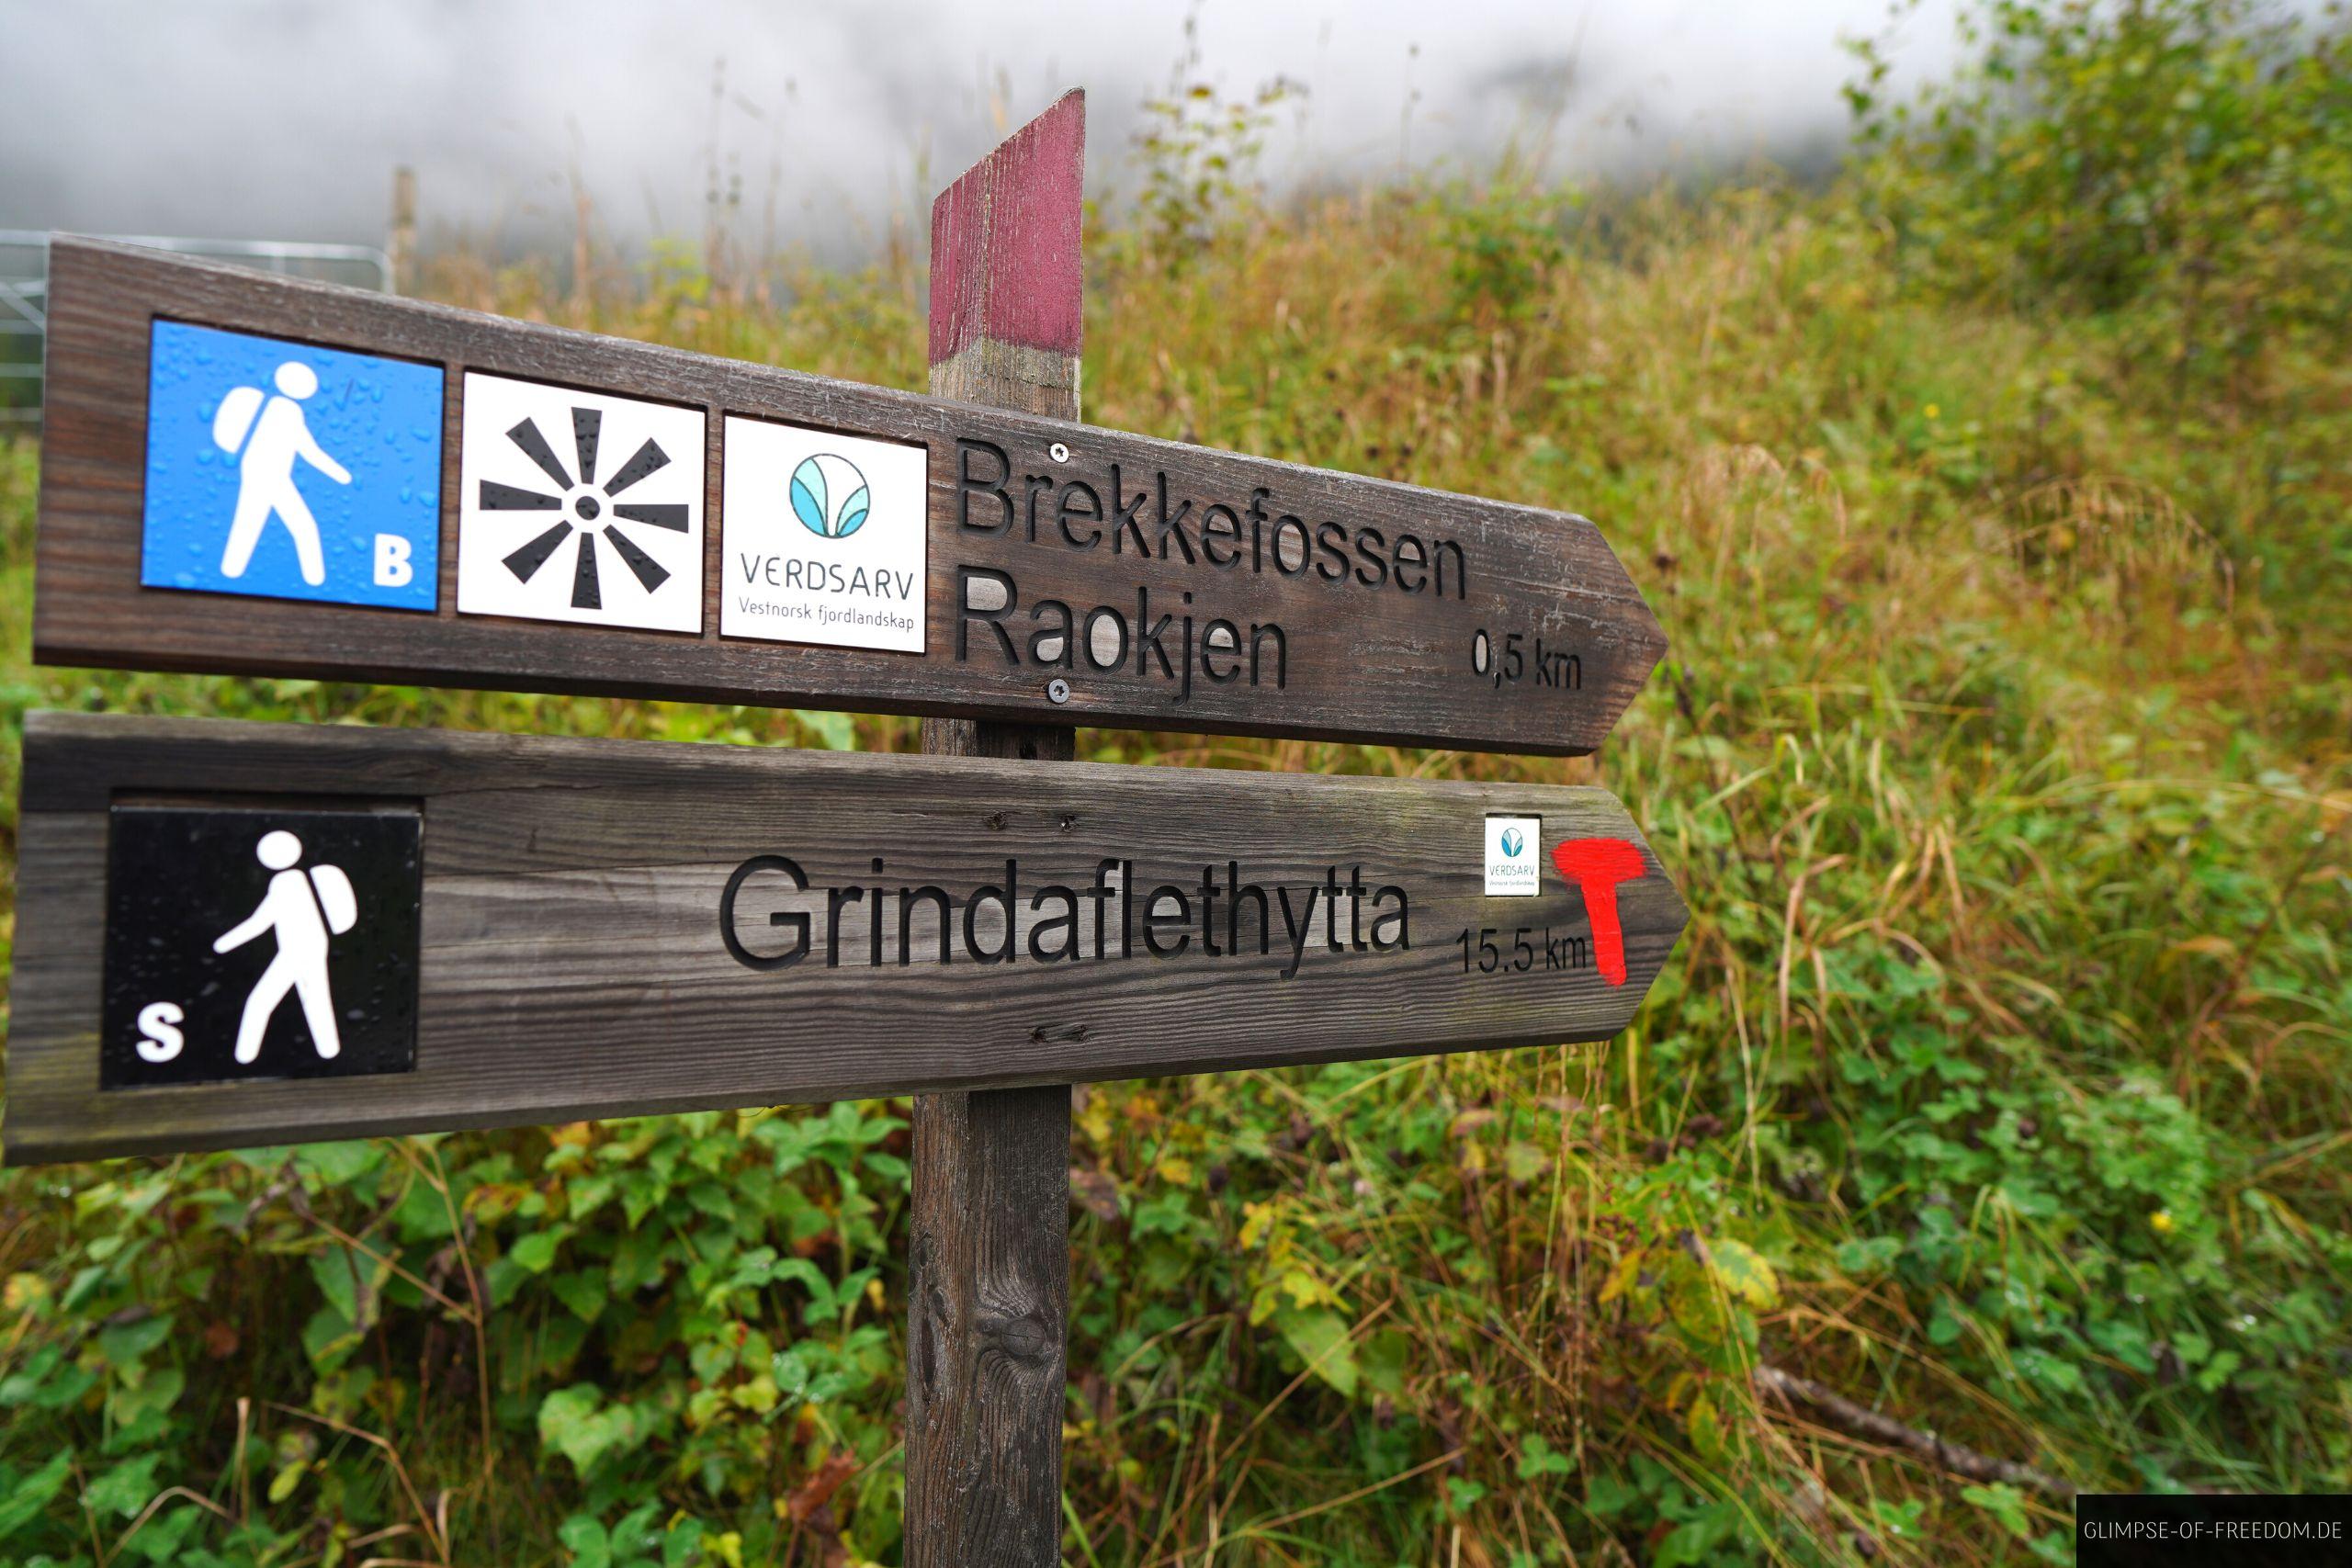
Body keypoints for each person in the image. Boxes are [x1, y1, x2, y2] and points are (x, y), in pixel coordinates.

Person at [212, 829, 352, 1064]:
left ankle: (244, 1057)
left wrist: (223, 944)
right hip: (315, 947)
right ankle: (329, 1052)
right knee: (316, 1000)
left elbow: (260, 922)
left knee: (260, 1001)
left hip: (295, 952)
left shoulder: (284, 883)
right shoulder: (303, 879)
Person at [220, 361, 350, 586]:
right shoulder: (287, 411)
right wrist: (343, 476)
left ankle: (231, 572)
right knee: (299, 526)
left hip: (262, 473)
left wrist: (341, 475)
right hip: (270, 476)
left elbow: (308, 450)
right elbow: (309, 451)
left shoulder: (275, 406)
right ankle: (315, 582)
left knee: (252, 523)